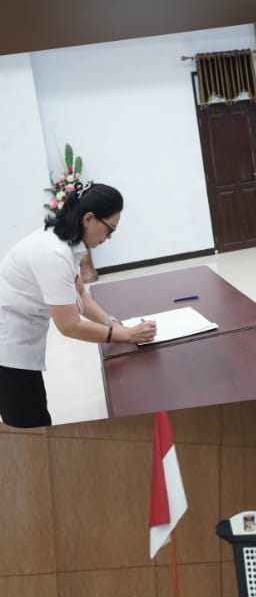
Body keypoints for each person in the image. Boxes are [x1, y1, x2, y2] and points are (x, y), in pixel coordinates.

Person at [0, 182, 156, 429]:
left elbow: (80, 294)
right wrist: (125, 336)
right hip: (7, 345)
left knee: (32, 414)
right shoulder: (53, 254)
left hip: (20, 336)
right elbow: (70, 326)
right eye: (109, 229)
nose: (109, 237)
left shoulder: (67, 242)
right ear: (89, 218)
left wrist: (111, 322)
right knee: (29, 424)